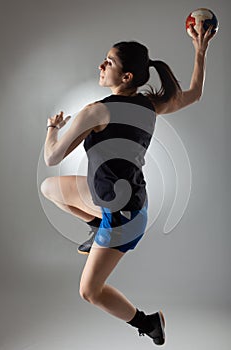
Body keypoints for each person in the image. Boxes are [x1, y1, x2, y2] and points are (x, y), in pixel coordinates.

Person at [40, 22, 215, 346]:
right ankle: (95, 226)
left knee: (89, 291)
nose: (101, 65)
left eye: (109, 61)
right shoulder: (149, 106)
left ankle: (148, 323)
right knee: (50, 189)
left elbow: (51, 156)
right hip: (114, 201)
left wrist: (53, 128)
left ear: (126, 77)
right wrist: (200, 52)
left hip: (125, 218)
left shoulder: (97, 111)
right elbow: (195, 94)